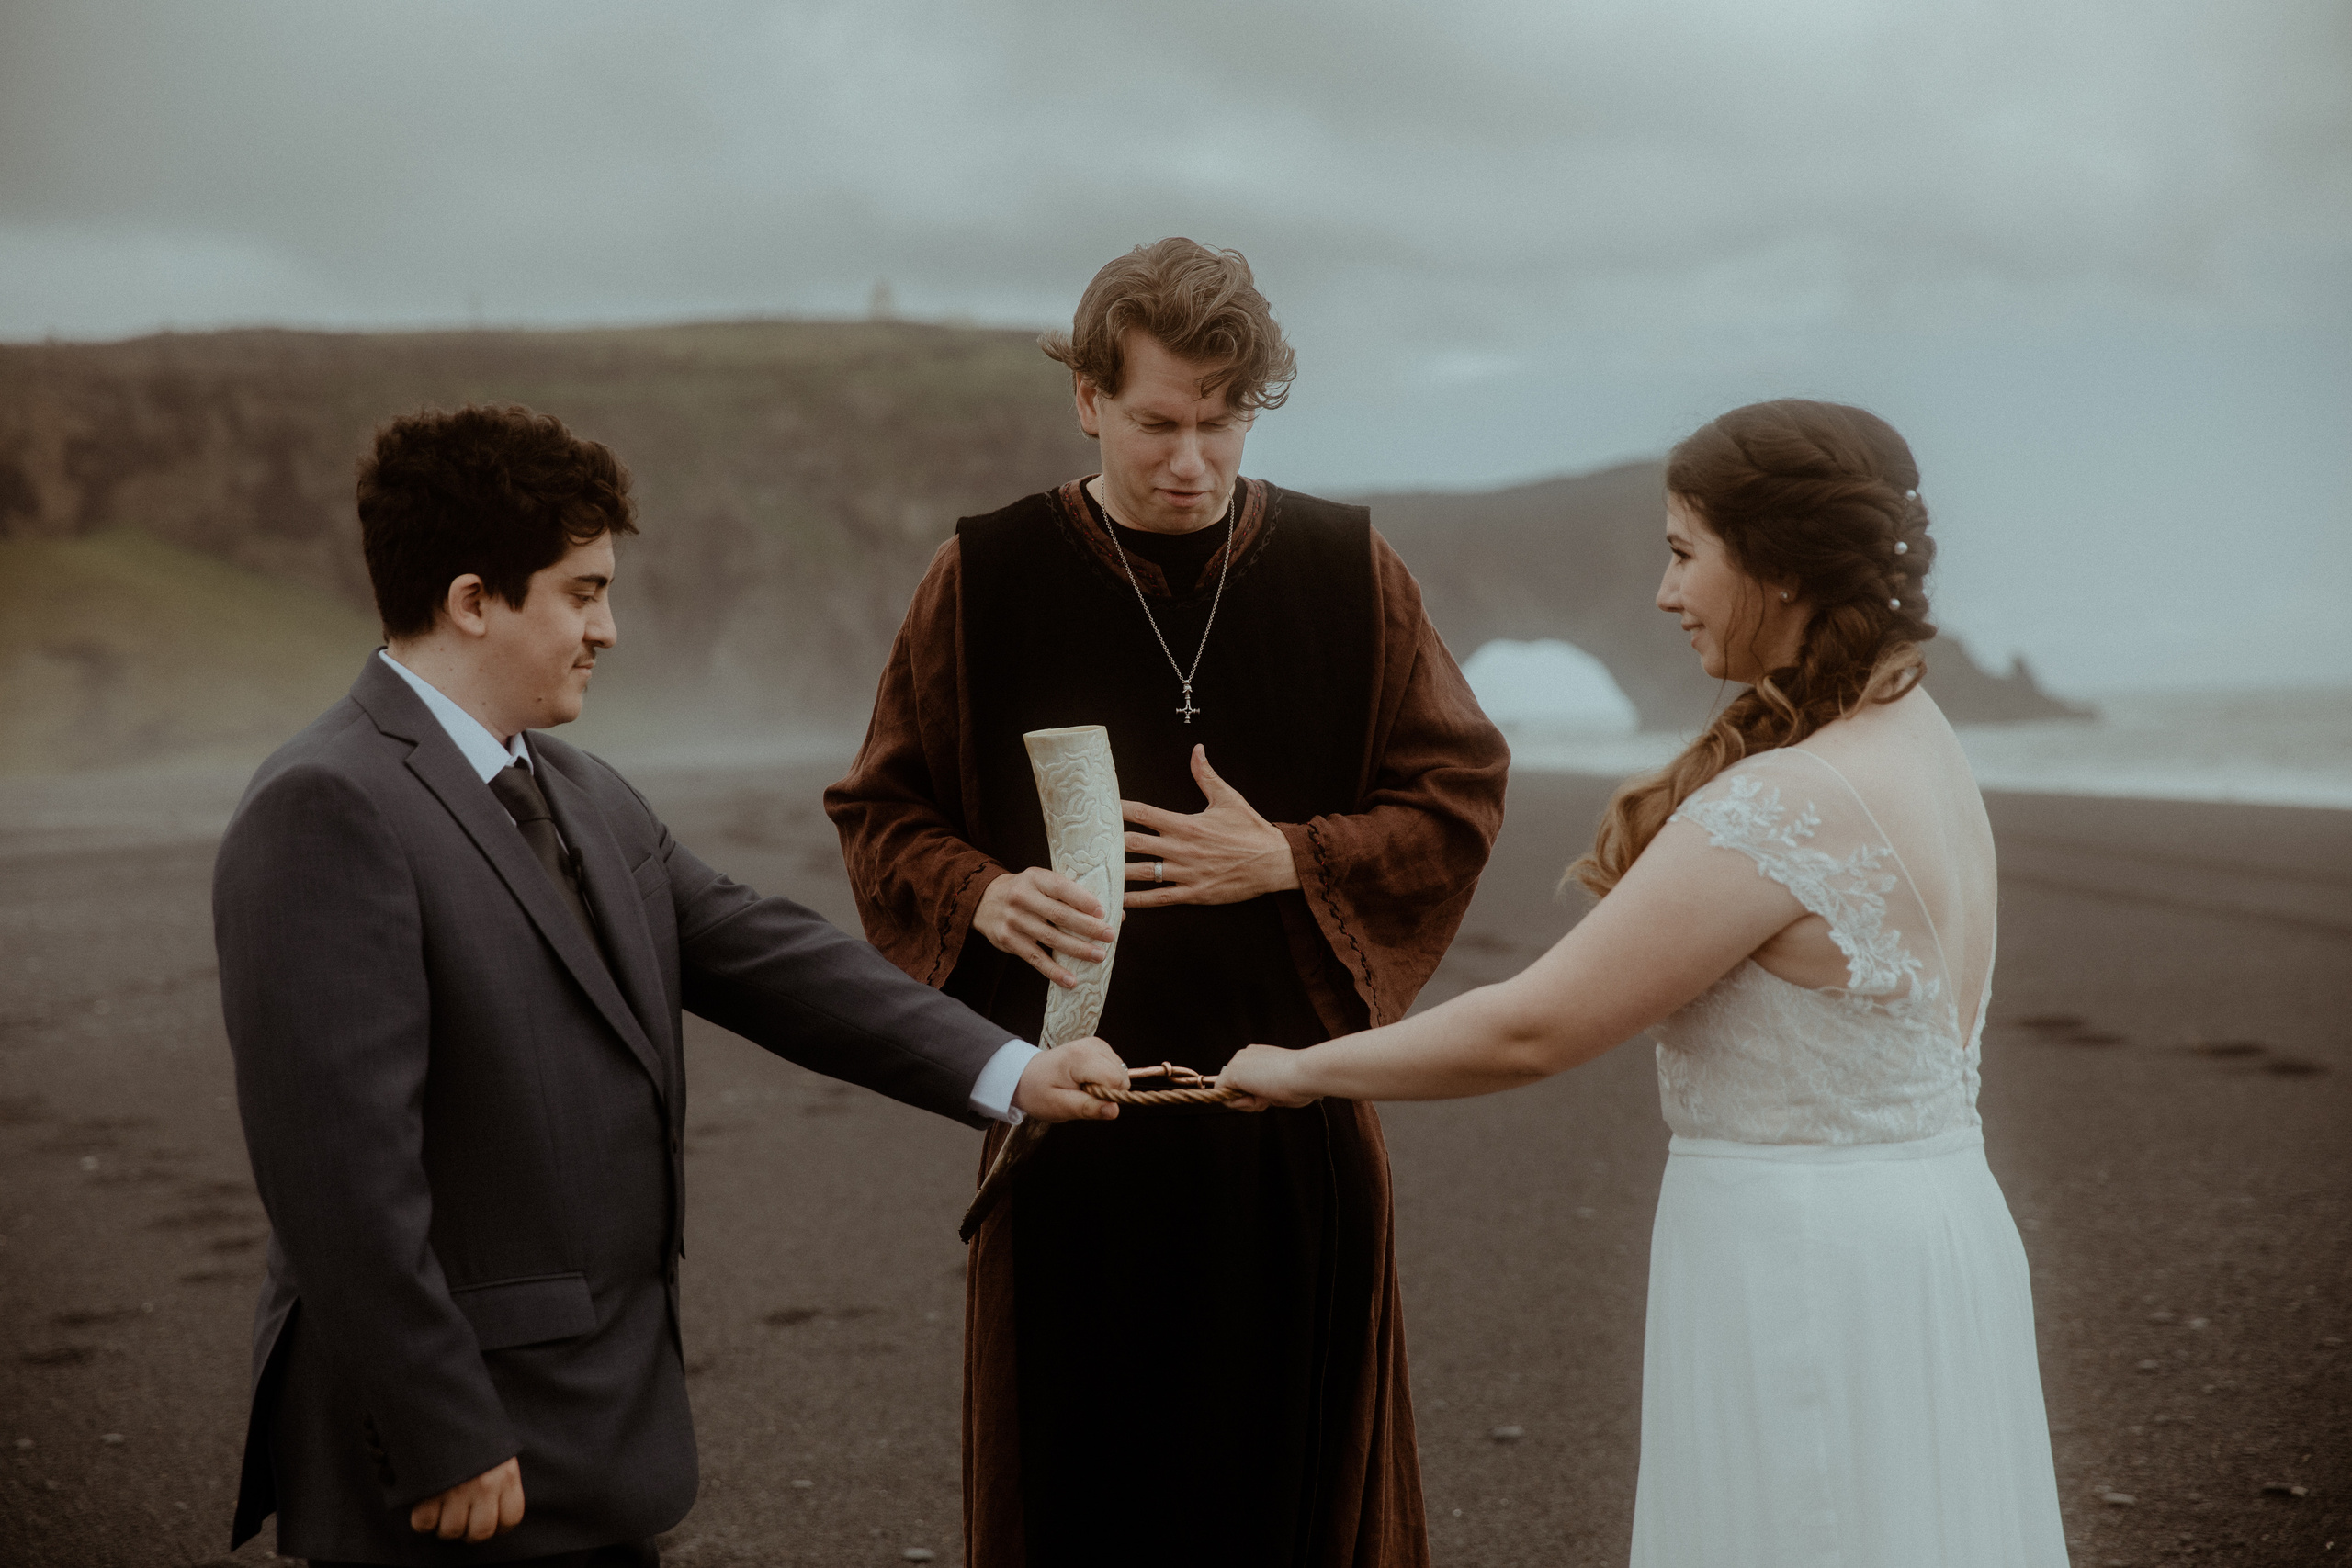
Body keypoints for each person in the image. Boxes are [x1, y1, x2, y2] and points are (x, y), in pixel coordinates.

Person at [213, 403, 1125, 1566]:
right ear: (473, 600)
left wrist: (1013, 1071)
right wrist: (438, 1427)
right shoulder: (326, 806)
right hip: (451, 1454)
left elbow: (760, 951)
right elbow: (336, 1172)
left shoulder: (581, 789)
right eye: (583, 592)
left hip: (594, 1426)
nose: (611, 627)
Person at [1221, 400, 2071, 1565]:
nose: (1663, 595)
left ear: (1773, 566)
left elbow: (1534, 1028)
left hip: (1804, 1267)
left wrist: (1300, 1067)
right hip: (1932, 1236)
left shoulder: (1788, 801)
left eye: (1682, 554)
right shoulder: (1922, 737)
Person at [825, 238, 1509, 1567]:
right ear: (1088, 396)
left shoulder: (1351, 570)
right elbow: (882, 811)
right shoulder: (984, 576)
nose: (1191, 458)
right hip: (1071, 1120)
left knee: (1295, 1503)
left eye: (1222, 421)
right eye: (1157, 422)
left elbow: (1457, 796)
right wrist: (981, 890)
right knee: (1084, 1499)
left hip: (1294, 1120)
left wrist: (1293, 858)